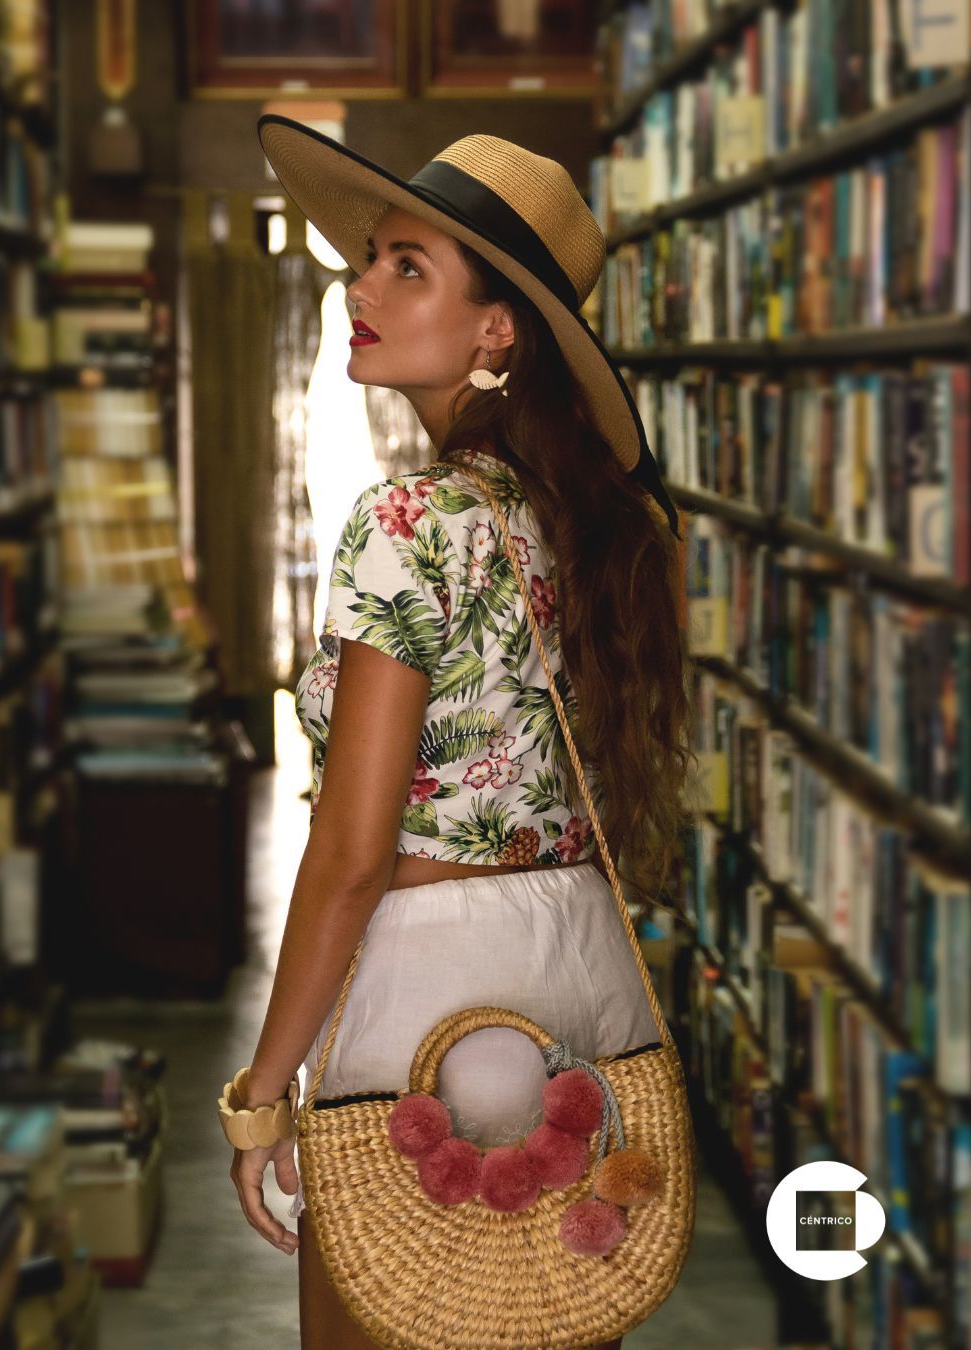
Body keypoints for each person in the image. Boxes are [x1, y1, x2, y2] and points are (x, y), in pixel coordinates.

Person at [228, 118, 692, 1349]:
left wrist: (260, 1093)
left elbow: (349, 857)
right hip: (573, 989)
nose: (360, 286)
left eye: (406, 267)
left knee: (377, 1308)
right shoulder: (596, 527)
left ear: (500, 332)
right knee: (549, 1312)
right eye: (370, 257)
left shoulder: (408, 521)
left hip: (421, 1018)